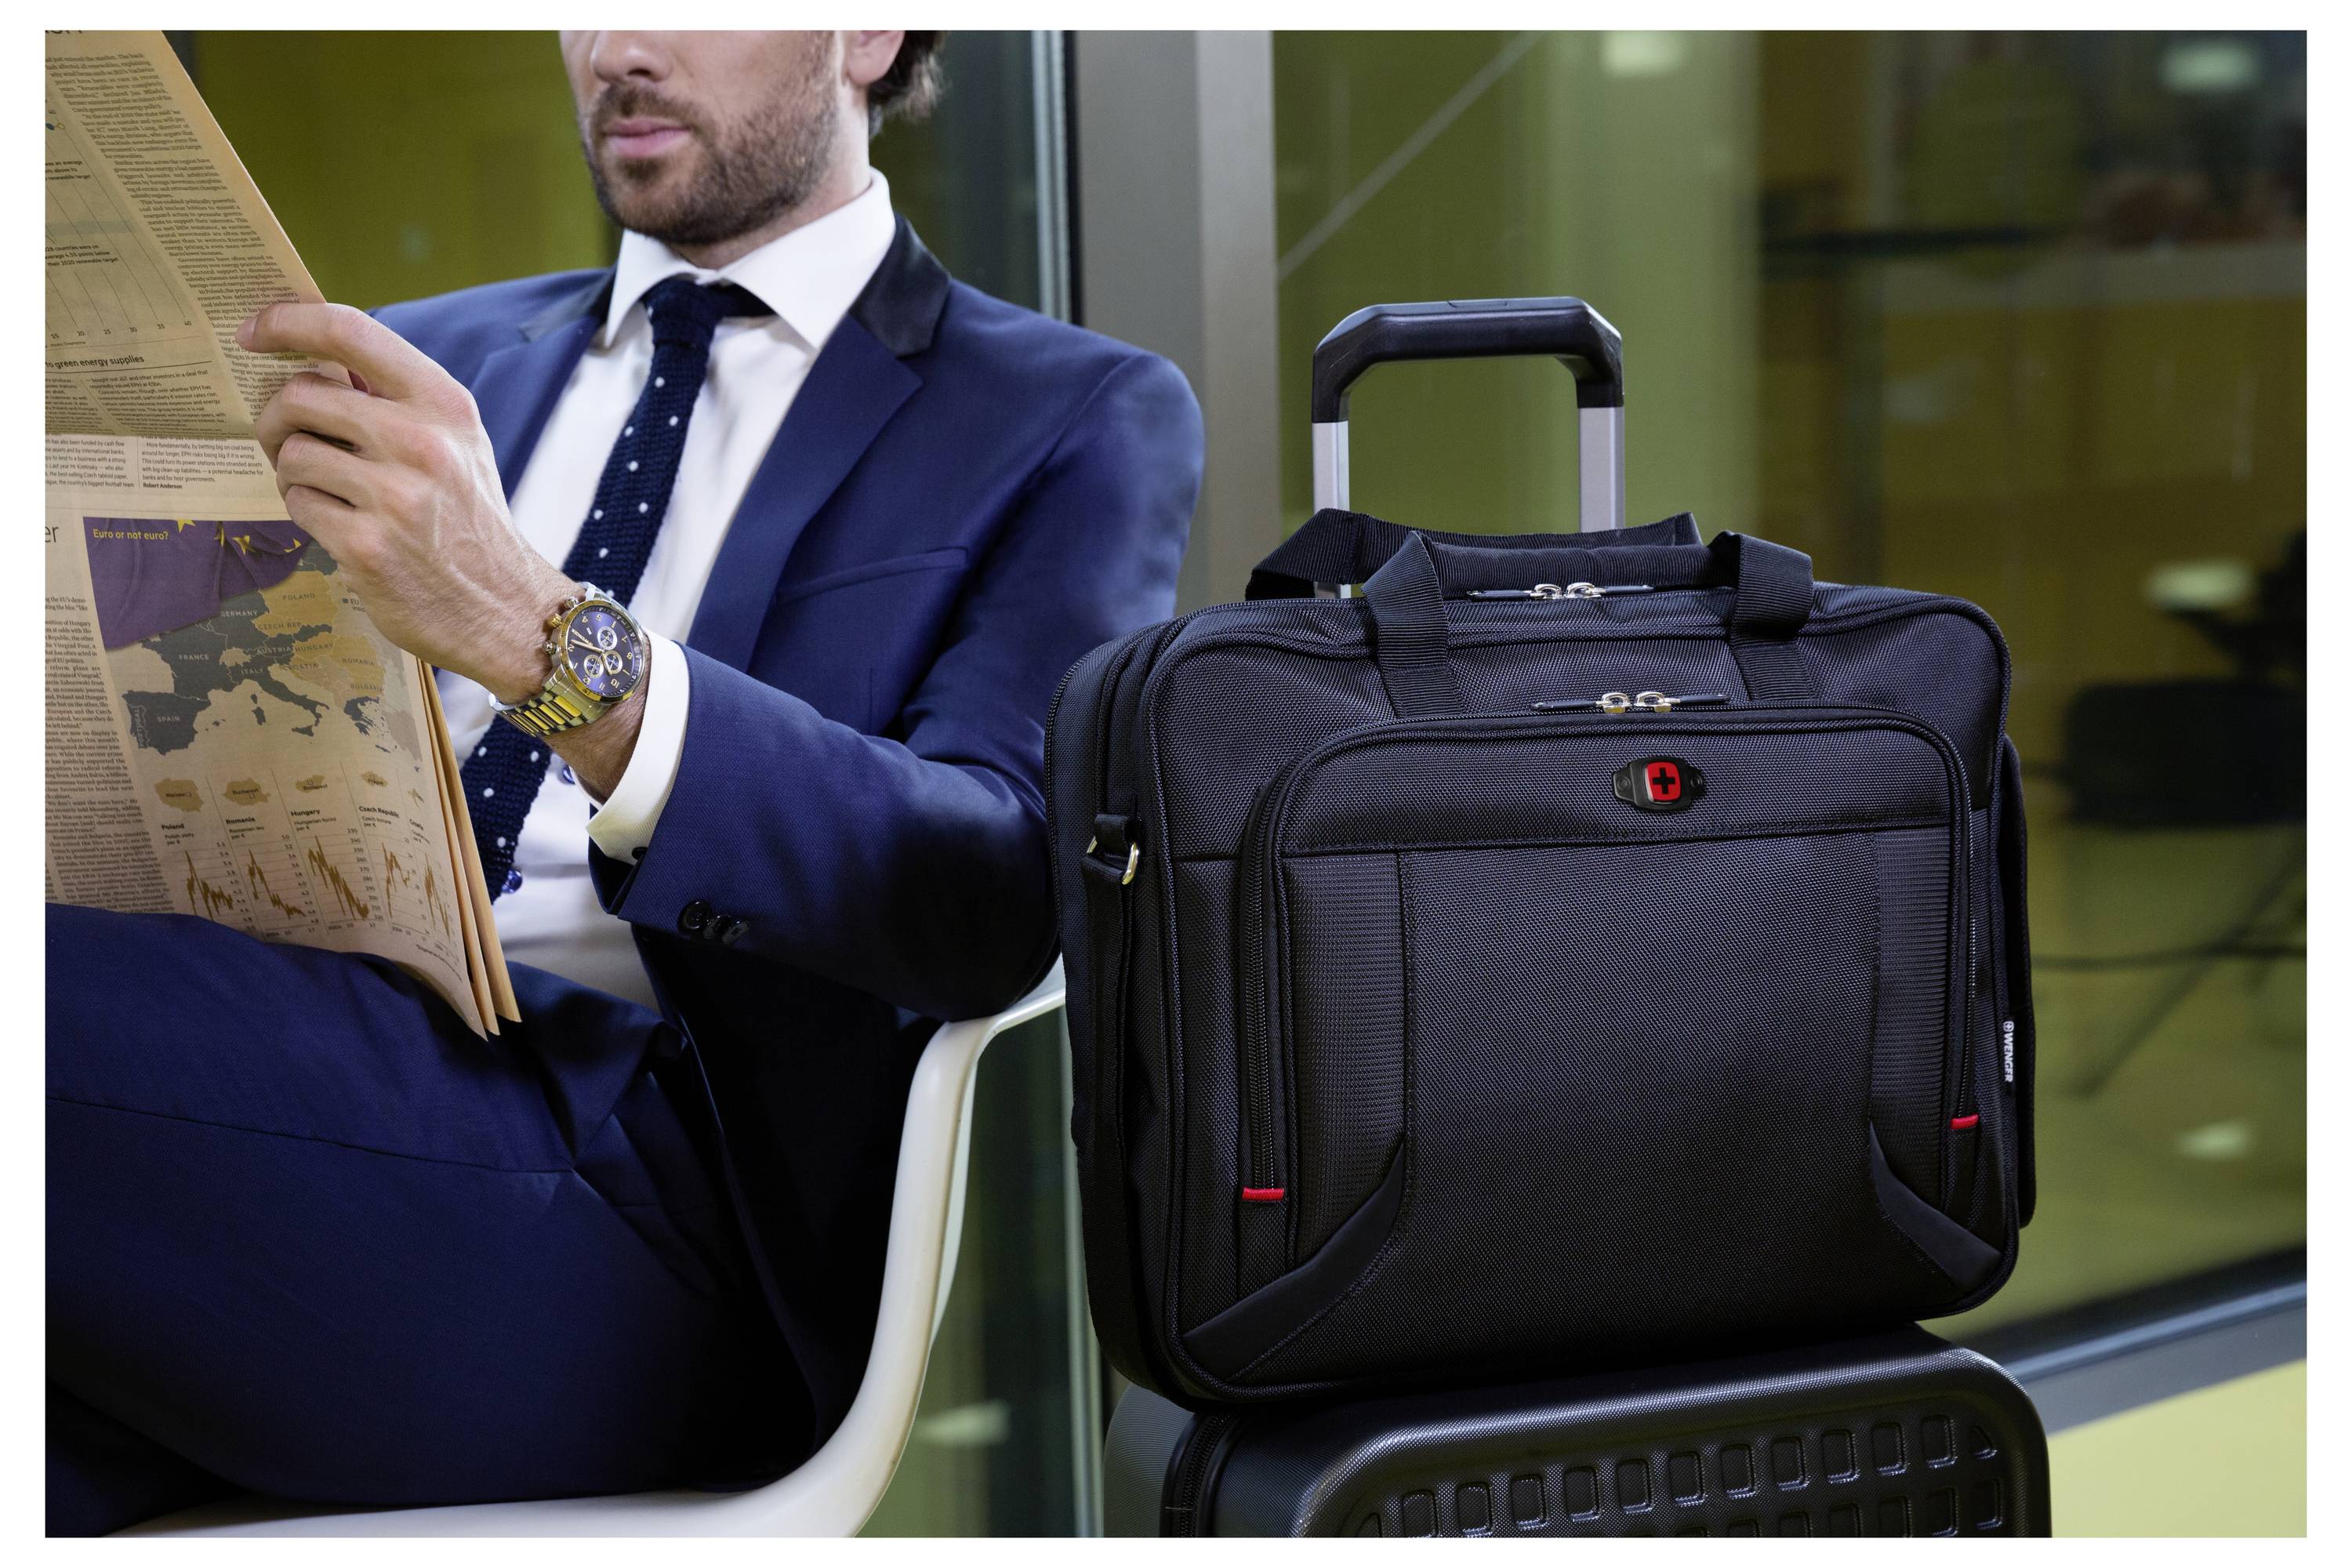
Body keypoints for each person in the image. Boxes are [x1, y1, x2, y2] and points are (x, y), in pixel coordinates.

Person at [46, 29, 1200, 1535]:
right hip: (283, 1083)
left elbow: (994, 888)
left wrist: (537, 637)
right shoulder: (410, 357)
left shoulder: (1068, 414)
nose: (620, 45)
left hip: (667, 1202)